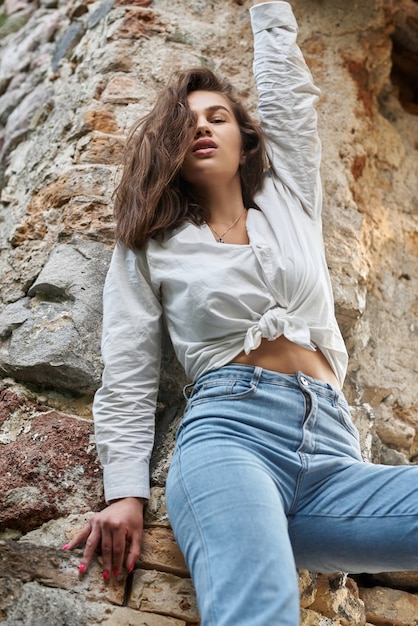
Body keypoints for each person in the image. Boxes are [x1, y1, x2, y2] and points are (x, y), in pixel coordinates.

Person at [65, 1, 418, 624]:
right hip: (230, 439)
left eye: (217, 116)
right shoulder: (151, 244)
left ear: (244, 136)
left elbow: (289, 97)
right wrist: (125, 492)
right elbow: (128, 370)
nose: (202, 126)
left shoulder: (289, 199)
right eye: (185, 121)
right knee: (263, 607)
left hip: (334, 456)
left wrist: (268, 9)